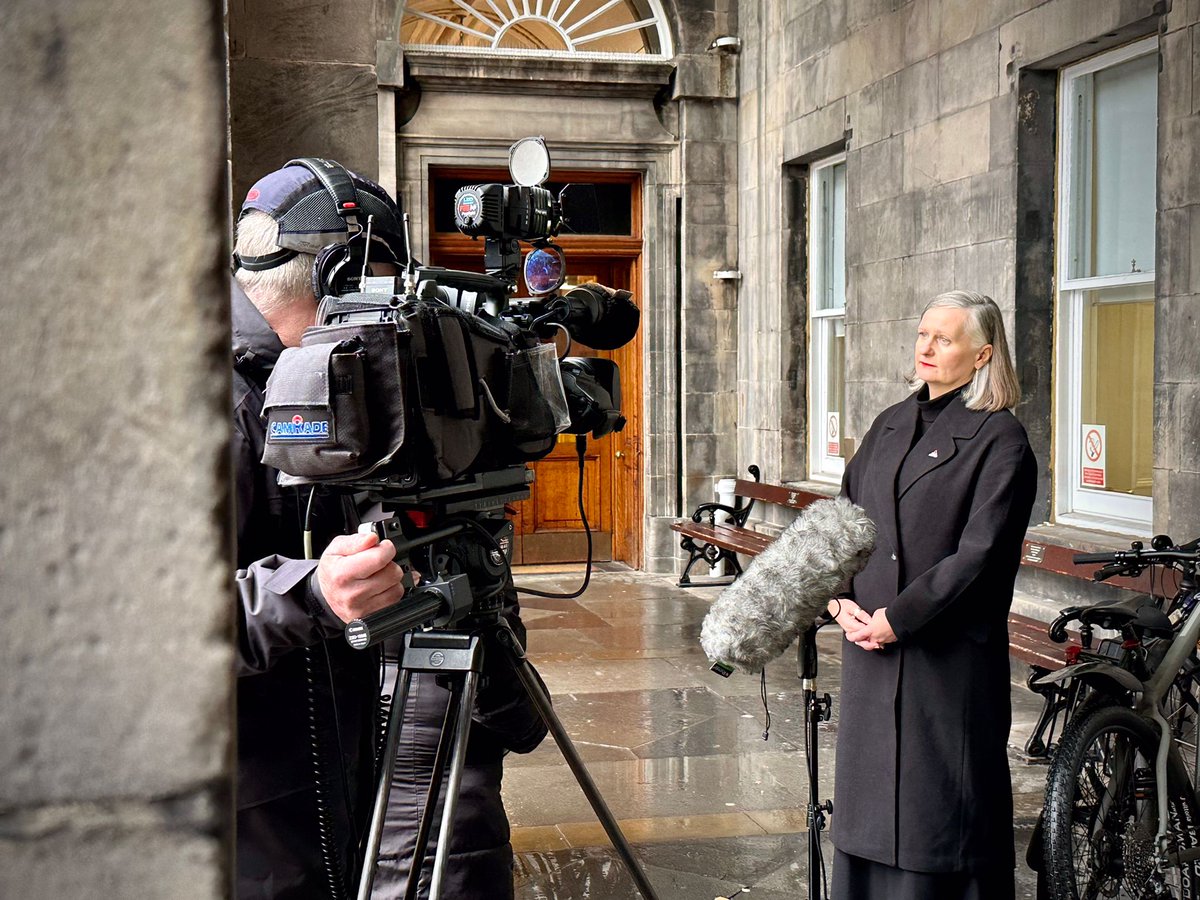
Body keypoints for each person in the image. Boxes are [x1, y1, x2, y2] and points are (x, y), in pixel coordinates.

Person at [232, 159, 547, 899]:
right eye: (385, 286)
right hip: (268, 822)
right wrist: (310, 596)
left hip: (389, 776)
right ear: (341, 278)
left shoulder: (369, 377)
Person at [826, 290, 1037, 899]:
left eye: (944, 338)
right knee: (869, 809)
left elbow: (981, 555)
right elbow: (841, 520)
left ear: (983, 354)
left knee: (937, 817)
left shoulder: (1001, 440)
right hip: (867, 644)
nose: (927, 347)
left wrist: (900, 618)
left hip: (945, 658)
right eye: (923, 334)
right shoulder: (889, 421)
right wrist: (838, 600)